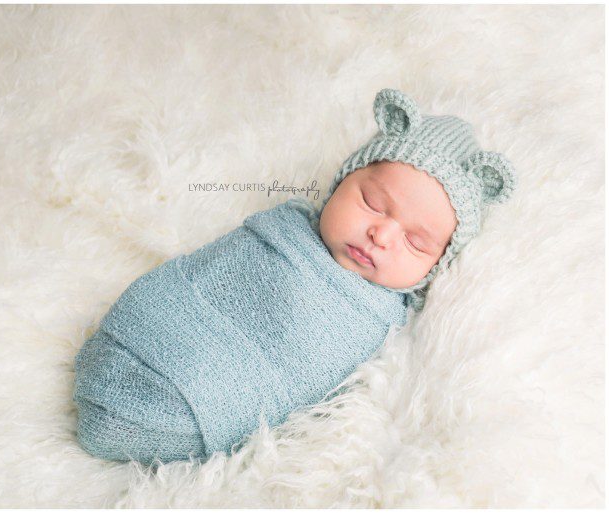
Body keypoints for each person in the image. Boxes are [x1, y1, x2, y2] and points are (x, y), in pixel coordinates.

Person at [73, 88, 517, 465]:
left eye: (416, 243)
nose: (381, 234)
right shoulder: (283, 229)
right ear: (340, 183)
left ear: (434, 268)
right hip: (152, 331)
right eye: (372, 203)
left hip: (205, 396)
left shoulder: (383, 321)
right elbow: (210, 271)